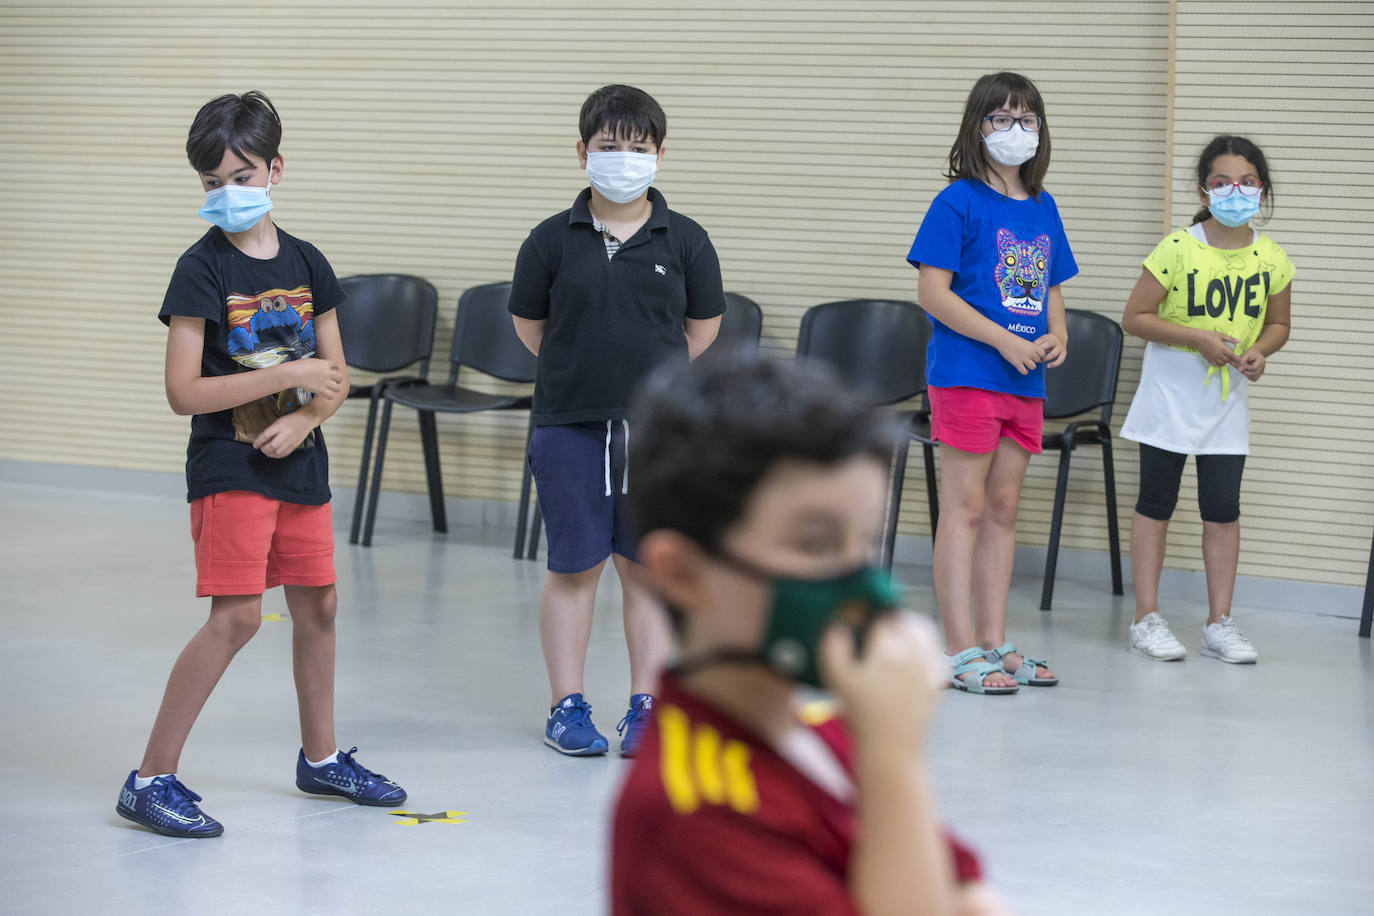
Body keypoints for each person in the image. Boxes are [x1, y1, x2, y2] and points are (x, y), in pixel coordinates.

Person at [612, 350, 1003, 916]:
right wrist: (895, 759)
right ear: (682, 574)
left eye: (865, 543)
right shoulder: (687, 810)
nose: (865, 589)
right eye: (814, 545)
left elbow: (973, 898)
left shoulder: (828, 734)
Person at [116, 91, 405, 839]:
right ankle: (149, 778)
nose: (228, 194)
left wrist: (307, 415)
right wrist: (284, 379)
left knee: (320, 606)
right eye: (212, 183)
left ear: (276, 168)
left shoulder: (309, 262)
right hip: (228, 462)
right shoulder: (200, 269)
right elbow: (184, 392)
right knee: (239, 617)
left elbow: (334, 375)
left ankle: (322, 758)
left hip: (299, 464)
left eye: (242, 177)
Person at [508, 84, 725, 757]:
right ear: (582, 152)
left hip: (656, 432)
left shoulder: (686, 239)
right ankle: (566, 706)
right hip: (567, 423)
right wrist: (586, 375)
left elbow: (703, 325)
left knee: (647, 570)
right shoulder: (550, 239)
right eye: (609, 146)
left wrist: (647, 384)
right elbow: (530, 325)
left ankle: (648, 705)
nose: (623, 159)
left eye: (637, 147)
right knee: (574, 567)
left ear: (660, 156)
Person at [905, 72, 1076, 693]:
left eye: (1027, 119)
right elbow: (932, 292)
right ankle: (957, 649)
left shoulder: (1043, 205)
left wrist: (1056, 332)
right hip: (969, 374)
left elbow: (1052, 289)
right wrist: (1003, 340)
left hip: (1025, 383)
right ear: (977, 128)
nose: (1016, 130)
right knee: (966, 506)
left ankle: (994, 641)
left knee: (1004, 507)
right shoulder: (957, 201)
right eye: (1001, 119)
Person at [1120, 135, 1293, 663]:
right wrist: (1196, 337)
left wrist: (1261, 351)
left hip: (1226, 405)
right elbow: (1135, 318)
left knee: (1222, 510)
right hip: (1169, 398)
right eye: (1222, 182)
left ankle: (1219, 622)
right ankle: (1145, 618)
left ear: (1261, 191)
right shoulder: (1178, 246)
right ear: (1204, 190)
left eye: (1246, 182)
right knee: (1156, 503)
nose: (1234, 191)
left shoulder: (1272, 257)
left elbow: (1279, 324)